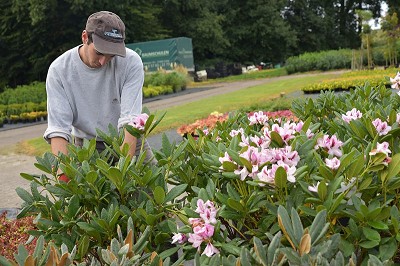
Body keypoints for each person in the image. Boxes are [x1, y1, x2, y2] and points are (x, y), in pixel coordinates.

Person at [44, 11, 155, 170]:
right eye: (99, 52)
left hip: (127, 138)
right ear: (85, 37)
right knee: (85, 193)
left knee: (154, 188)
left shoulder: (130, 62)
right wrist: (64, 175)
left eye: (111, 55)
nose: (104, 61)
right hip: (87, 146)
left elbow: (130, 121)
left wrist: (123, 175)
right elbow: (58, 130)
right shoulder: (59, 70)